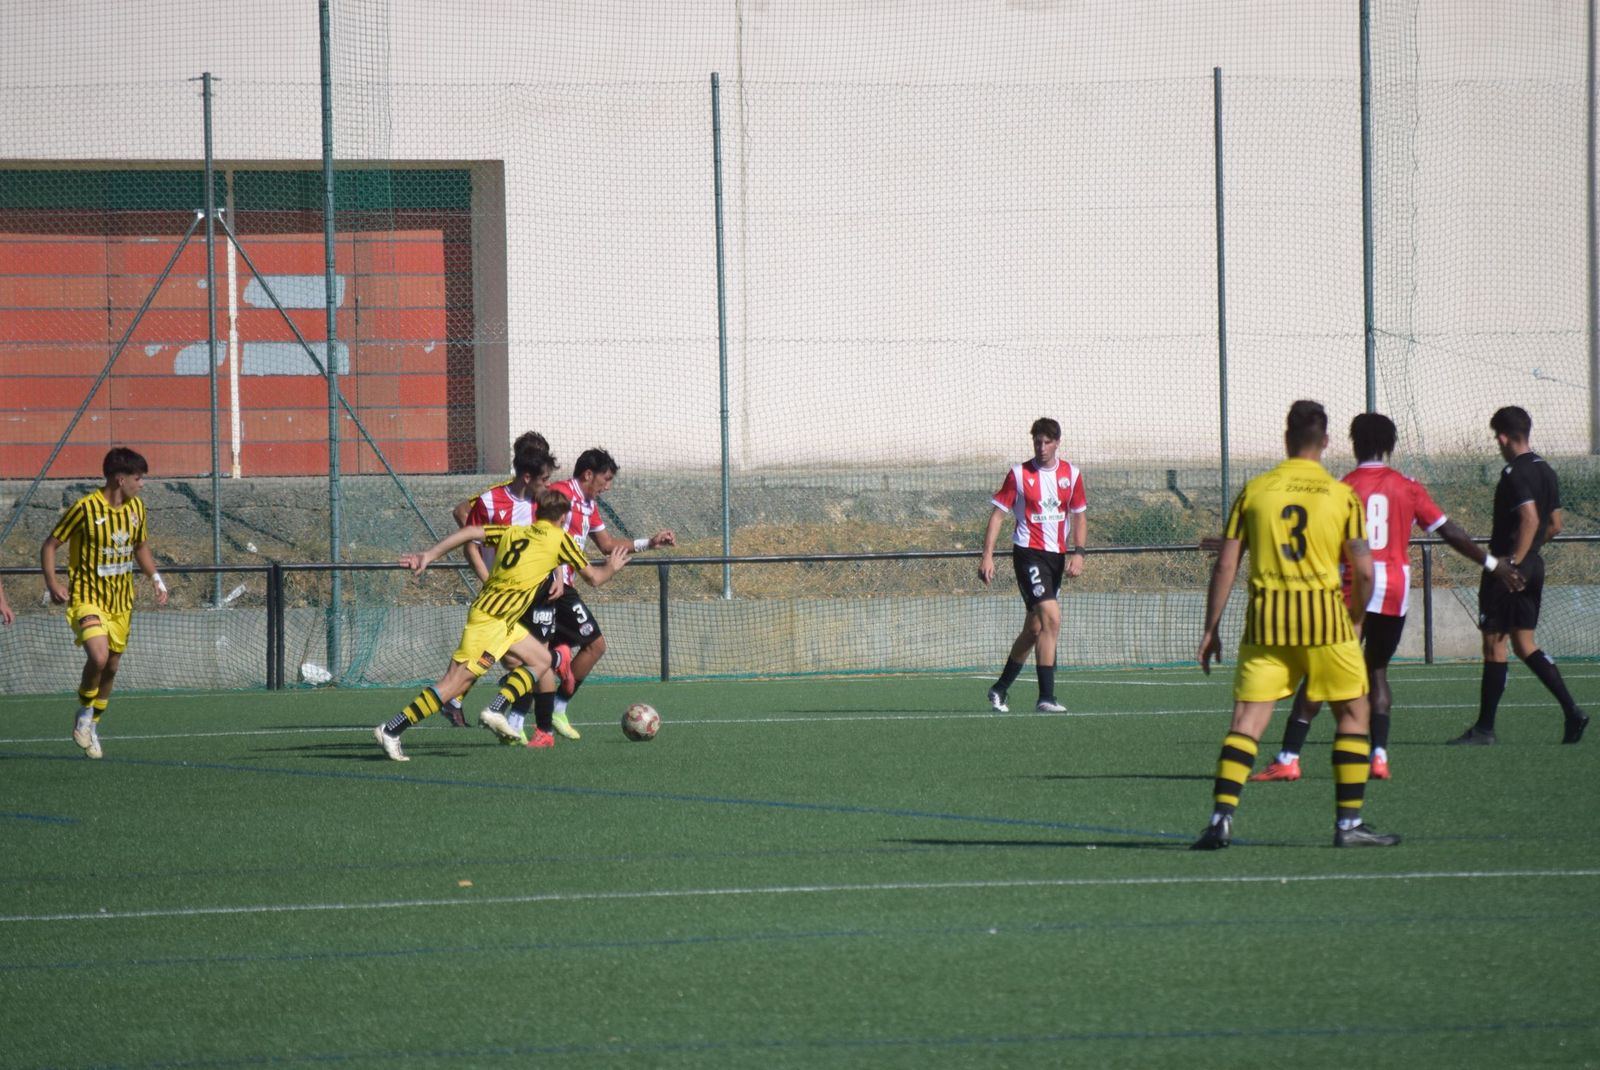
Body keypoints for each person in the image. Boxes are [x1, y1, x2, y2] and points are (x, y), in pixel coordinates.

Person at [1250, 412, 1524, 783]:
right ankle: (1378, 756)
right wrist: (1493, 563)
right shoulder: (1407, 487)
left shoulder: (1342, 487)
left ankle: (1288, 757)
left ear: (1352, 443)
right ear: (1391, 446)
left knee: (1320, 671)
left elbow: (1312, 540)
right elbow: (1451, 532)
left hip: (1353, 589)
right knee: (1376, 670)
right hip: (1394, 589)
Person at [1192, 400, 1398, 850]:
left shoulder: (1256, 491)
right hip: (1327, 625)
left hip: (1267, 625)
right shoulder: (1342, 496)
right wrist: (1357, 618)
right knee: (1354, 714)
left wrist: (1211, 628)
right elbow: (1364, 571)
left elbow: (1226, 564)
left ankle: (1220, 819)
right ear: (1326, 442)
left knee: (1247, 721)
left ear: (1286, 438)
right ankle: (1348, 826)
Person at [374, 485, 631, 762]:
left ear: (538, 511)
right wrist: (612, 568)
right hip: (491, 622)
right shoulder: (561, 539)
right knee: (454, 683)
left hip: (502, 619)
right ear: (563, 517)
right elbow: (593, 577)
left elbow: (470, 532)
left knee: (541, 659)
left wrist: (430, 554)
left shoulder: (514, 531)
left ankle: (496, 708)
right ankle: (392, 729)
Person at [483, 447, 675, 740]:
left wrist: (649, 542)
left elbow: (607, 544)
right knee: (558, 653)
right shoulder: (560, 493)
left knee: (564, 652)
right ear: (588, 474)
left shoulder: (589, 504)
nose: (607, 486)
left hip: (563, 585)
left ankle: (545, 711)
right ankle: (527, 716)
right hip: (548, 585)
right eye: (606, 479)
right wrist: (556, 569)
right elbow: (537, 529)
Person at [1448, 406, 1588, 745]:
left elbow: (1529, 518)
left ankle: (1484, 729)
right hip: (1534, 566)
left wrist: (1512, 562)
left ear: (1503, 437)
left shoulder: (1514, 473)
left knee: (1494, 645)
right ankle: (1572, 710)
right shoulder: (1546, 470)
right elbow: (1554, 524)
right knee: (1525, 644)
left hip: (1509, 569)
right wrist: (1530, 555)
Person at [39, 447, 170, 760]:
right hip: (87, 599)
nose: (142, 484)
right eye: (138, 478)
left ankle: (93, 724)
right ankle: (84, 713)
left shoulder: (136, 509)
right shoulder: (85, 508)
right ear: (120, 478)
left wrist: (156, 578)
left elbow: (140, 546)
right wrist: (53, 583)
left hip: (121, 602)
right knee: (98, 658)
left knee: (111, 666)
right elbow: (50, 544)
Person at [431, 430, 555, 730]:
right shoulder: (495, 498)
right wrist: (484, 555)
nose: (547, 480)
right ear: (528, 471)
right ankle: (506, 715)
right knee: (515, 660)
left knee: (535, 659)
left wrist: (559, 573)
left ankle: (487, 708)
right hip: (501, 594)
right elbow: (463, 514)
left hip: (533, 590)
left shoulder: (543, 501)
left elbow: (552, 538)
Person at [978, 417, 1087, 714]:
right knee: (1052, 617)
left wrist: (1079, 553)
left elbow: (1078, 515)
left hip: (1056, 557)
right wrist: (987, 555)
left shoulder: (1072, 475)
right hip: (1028, 553)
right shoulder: (1018, 474)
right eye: (1037, 441)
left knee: (1035, 628)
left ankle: (999, 689)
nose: (1041, 447)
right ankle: (1046, 697)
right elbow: (998, 515)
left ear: (1057, 442)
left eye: (1047, 441)